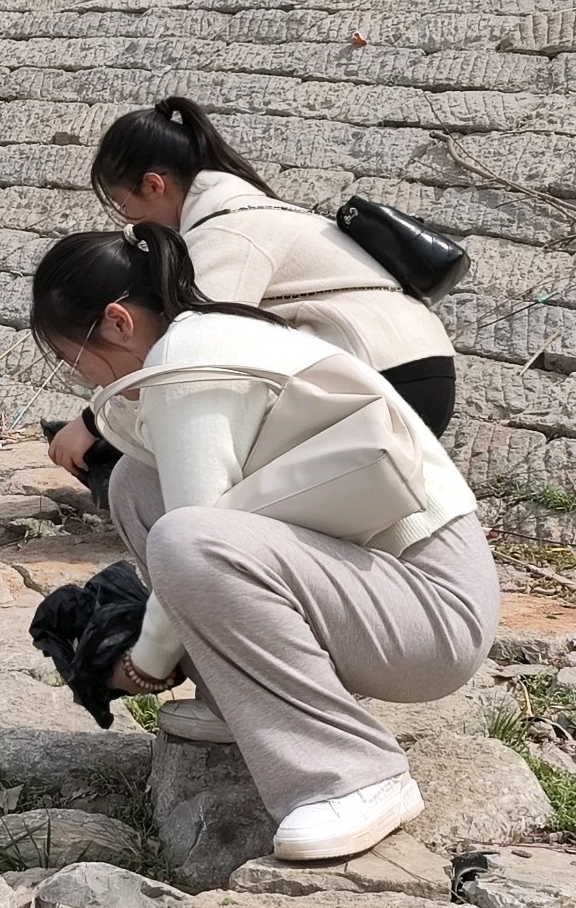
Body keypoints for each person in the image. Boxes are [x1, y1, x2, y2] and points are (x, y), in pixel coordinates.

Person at [31, 223, 498, 860]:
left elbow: (193, 539)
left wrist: (142, 663)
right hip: (391, 592)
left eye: (72, 358)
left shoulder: (187, 360)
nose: (81, 379)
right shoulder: (212, 334)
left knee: (188, 537)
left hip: (433, 613)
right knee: (140, 482)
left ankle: (355, 774)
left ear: (116, 322)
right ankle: (241, 702)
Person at [49, 95, 460, 488]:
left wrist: (92, 424)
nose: (131, 221)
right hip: (409, 370)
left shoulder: (227, 231)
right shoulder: (251, 211)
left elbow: (188, 354)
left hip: (389, 379)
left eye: (125, 207)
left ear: (154, 186)